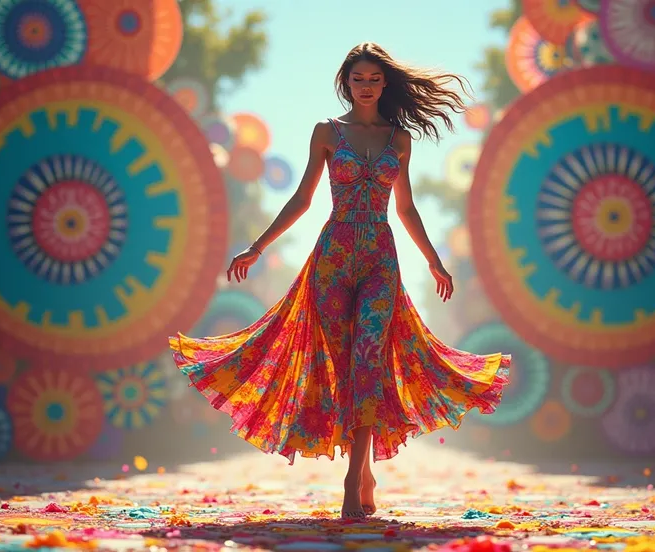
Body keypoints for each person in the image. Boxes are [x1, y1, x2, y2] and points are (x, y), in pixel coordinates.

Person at [169, 42, 511, 520]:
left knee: (369, 362)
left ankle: (354, 479)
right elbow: (302, 199)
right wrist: (257, 246)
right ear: (346, 83)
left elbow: (407, 208)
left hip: (380, 259)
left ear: (385, 83)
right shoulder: (326, 132)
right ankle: (366, 470)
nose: (366, 86)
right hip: (332, 258)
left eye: (373, 79)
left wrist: (433, 261)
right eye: (358, 79)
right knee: (348, 370)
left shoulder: (399, 139)